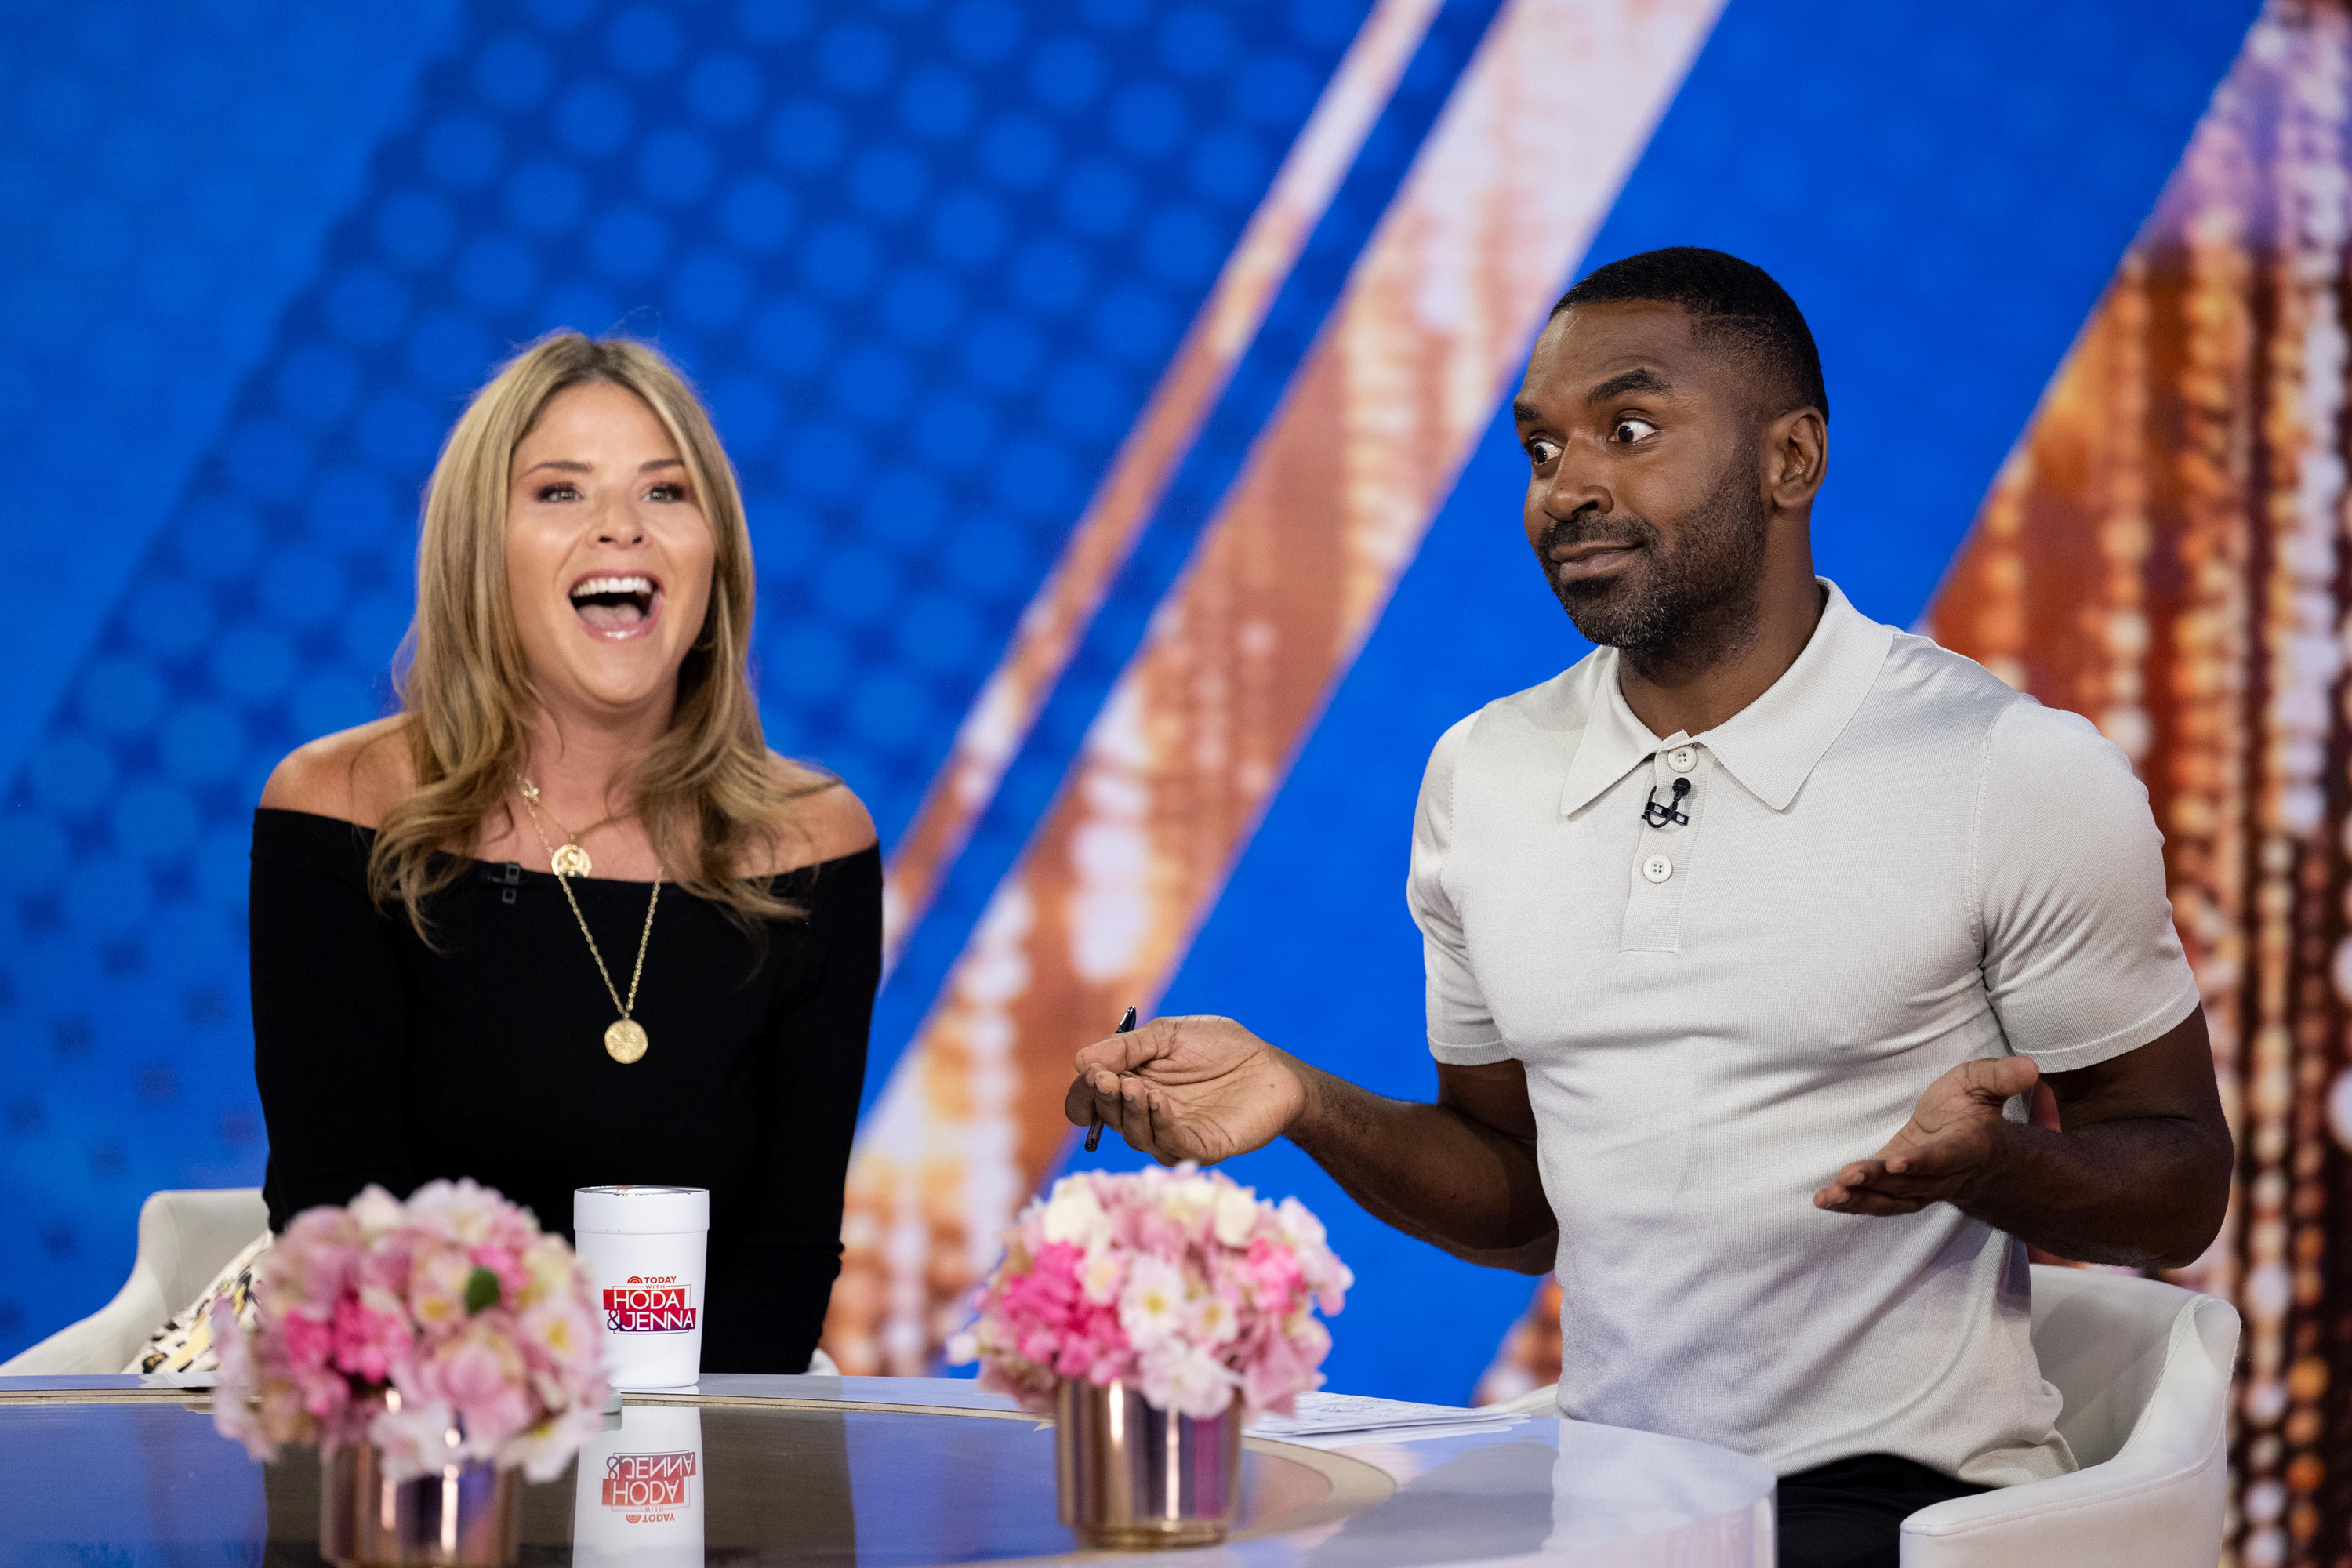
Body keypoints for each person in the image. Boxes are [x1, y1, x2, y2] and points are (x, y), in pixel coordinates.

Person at [1063, 249, 2233, 1568]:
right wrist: (1305, 1098)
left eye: (1629, 430)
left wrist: (2000, 1172)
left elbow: (2180, 1185)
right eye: (1541, 448)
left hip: (1902, 1504)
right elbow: (1525, 1205)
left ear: (1790, 461)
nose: (1570, 488)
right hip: (1613, 1491)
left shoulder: (2006, 768)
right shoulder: (1481, 775)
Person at [252, 331, 877, 1376]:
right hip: (398, 1425)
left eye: (666, 493)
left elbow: (787, 1251)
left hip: (691, 1443)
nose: (621, 529)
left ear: (714, 551)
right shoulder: (344, 808)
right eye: (560, 493)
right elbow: (339, 1226)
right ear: (480, 548)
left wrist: (649, 1482)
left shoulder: (812, 839)